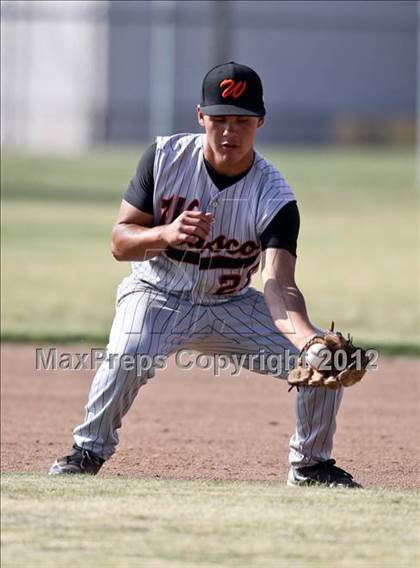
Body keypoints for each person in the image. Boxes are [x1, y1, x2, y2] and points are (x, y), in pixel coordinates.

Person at [49, 62, 361, 487]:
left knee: (323, 364)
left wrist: (308, 340)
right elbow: (119, 243)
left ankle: (311, 466)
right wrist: (165, 233)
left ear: (260, 122)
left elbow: (279, 282)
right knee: (129, 355)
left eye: (242, 121)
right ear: (201, 117)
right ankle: (87, 451)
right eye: (219, 120)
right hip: (157, 294)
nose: (229, 131)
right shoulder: (164, 158)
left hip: (230, 304)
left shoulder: (274, 196)